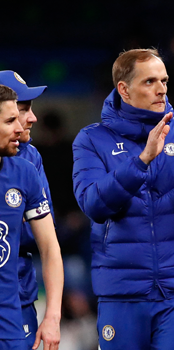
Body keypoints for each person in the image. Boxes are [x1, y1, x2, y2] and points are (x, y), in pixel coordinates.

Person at [72, 49, 174, 350]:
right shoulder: (91, 139)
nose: (161, 89)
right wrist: (142, 160)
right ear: (124, 89)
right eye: (149, 81)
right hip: (122, 294)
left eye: (164, 80)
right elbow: (93, 205)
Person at [0, 85, 63, 350]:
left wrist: (52, 316)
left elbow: (50, 247)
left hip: (11, 316)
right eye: (11, 119)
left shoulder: (24, 170)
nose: (22, 125)